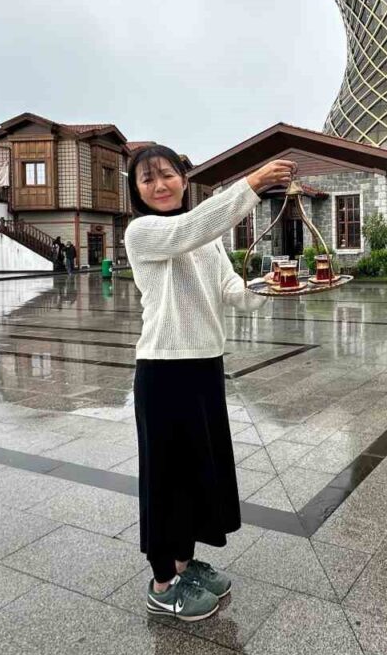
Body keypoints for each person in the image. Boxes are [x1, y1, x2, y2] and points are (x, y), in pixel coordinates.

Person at [124, 145, 295, 622]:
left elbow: (229, 291)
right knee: (165, 476)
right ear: (135, 191)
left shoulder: (207, 237)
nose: (160, 185)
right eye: (147, 180)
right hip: (162, 370)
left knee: (198, 471)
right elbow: (188, 229)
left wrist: (272, 290)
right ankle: (162, 582)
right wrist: (252, 184)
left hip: (204, 365)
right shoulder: (143, 232)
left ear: (183, 177)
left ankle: (183, 562)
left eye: (167, 175)